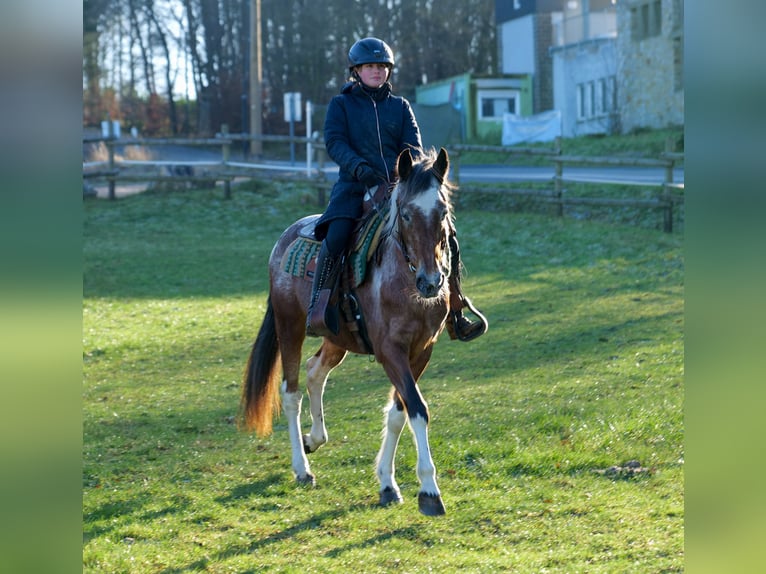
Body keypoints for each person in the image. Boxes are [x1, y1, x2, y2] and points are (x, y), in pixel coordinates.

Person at [306, 37, 487, 342]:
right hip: (353, 186)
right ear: (356, 71)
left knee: (449, 238)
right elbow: (335, 143)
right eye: (370, 67)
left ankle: (456, 311)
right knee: (336, 236)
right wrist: (360, 168)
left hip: (400, 188)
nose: (377, 71)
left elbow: (413, 147)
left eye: (382, 66)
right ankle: (319, 306)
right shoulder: (341, 105)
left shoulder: (400, 107)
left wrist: (408, 175)